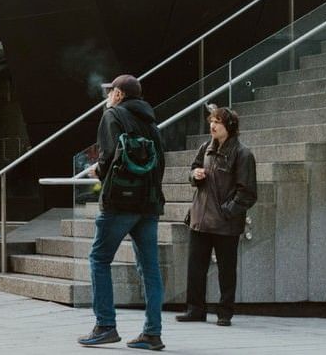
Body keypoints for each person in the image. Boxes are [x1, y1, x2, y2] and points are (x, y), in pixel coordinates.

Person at [80, 75, 165, 351]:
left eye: (111, 92)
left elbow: (108, 156)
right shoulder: (150, 120)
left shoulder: (112, 116)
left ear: (118, 94)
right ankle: (152, 333)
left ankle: (105, 326)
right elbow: (160, 162)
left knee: (99, 259)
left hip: (119, 203)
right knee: (150, 269)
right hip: (149, 203)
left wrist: (97, 172)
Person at [178, 106, 257, 327]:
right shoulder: (206, 147)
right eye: (211, 121)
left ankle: (225, 312)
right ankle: (195, 309)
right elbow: (193, 170)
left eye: (217, 122)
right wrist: (195, 175)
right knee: (195, 268)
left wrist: (226, 212)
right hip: (200, 219)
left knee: (226, 270)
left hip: (225, 224)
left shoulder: (243, 154)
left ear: (229, 127)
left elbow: (248, 193)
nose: (212, 125)